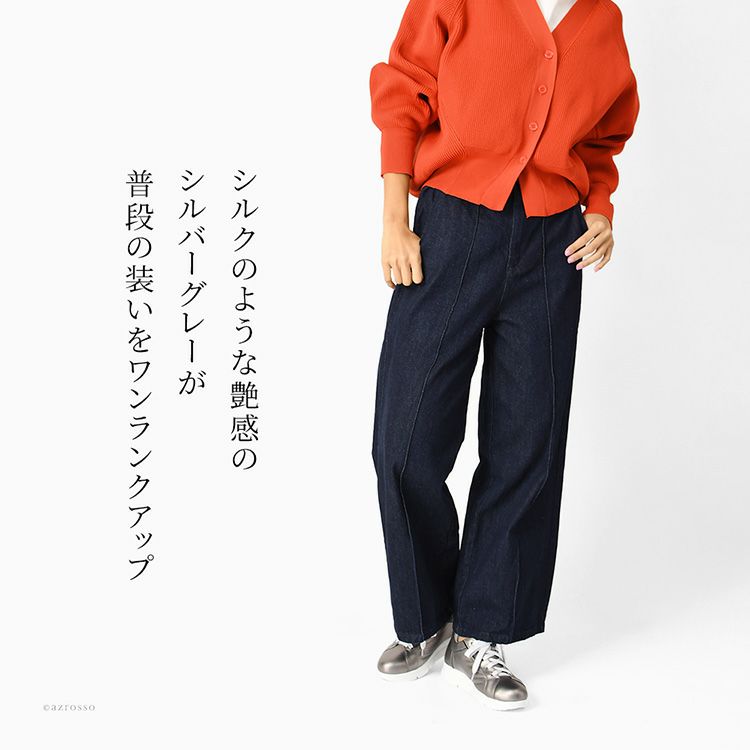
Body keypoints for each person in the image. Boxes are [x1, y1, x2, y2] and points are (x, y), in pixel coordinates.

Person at [369, 0, 640, 709]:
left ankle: (482, 631)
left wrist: (601, 210)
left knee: (527, 443)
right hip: (452, 226)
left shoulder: (602, 19)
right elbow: (405, 88)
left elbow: (602, 139)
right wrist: (395, 216)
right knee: (405, 439)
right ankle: (426, 617)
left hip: (554, 245)